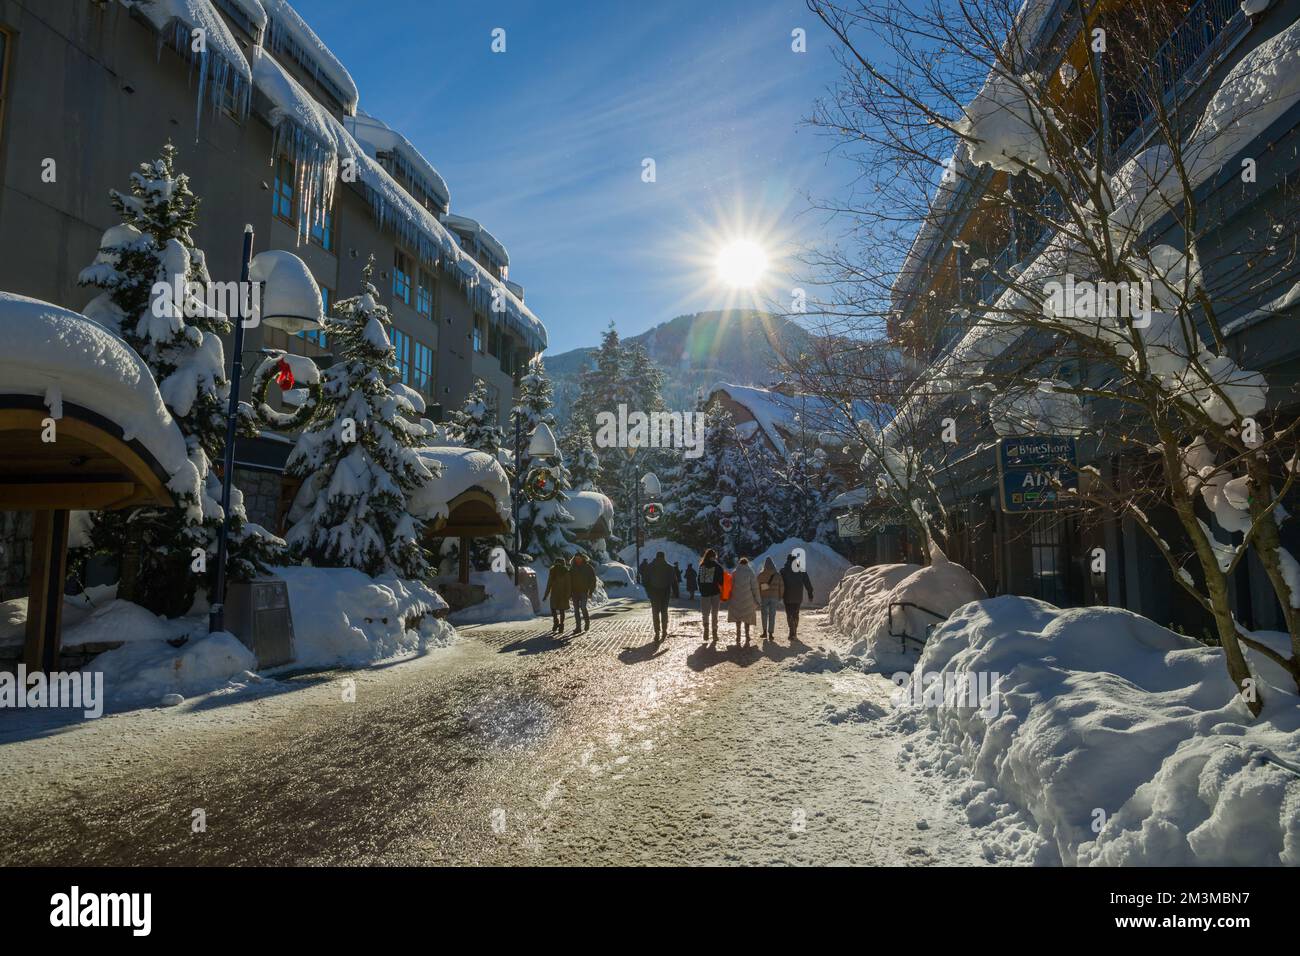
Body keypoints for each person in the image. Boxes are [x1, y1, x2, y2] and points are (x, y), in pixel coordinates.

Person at [643, 551, 679, 641]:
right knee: (664, 612)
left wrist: (648, 592)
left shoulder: (650, 566)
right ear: (664, 557)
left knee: (655, 613)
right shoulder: (669, 567)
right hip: (665, 592)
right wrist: (676, 593)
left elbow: (645, 581)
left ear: (656, 557)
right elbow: (674, 582)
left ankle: (657, 632)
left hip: (654, 593)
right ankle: (664, 630)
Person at [779, 551, 815, 642]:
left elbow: (779, 584)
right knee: (796, 614)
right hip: (798, 596)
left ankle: (791, 631)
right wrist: (810, 593)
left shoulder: (783, 571)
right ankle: (794, 631)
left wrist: (777, 594)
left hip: (787, 596)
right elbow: (807, 582)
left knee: (789, 614)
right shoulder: (801, 570)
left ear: (787, 560)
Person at [727, 557, 760, 646]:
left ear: (739, 563)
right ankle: (747, 635)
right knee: (747, 617)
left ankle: (738, 635)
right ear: (747, 564)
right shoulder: (750, 572)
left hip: (736, 599)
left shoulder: (734, 573)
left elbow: (730, 586)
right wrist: (758, 599)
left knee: (738, 616)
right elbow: (755, 587)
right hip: (748, 599)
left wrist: (729, 597)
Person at [697, 549, 723, 642]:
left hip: (705, 594)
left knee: (705, 613)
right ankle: (715, 632)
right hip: (715, 593)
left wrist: (702, 590)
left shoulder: (702, 566)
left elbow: (698, 579)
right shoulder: (717, 566)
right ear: (714, 556)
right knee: (714, 613)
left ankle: (706, 630)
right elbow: (721, 581)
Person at [756, 556, 784, 640]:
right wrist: (780, 596)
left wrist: (758, 597)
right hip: (774, 597)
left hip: (764, 597)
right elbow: (782, 586)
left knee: (764, 615)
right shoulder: (777, 575)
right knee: (772, 615)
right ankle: (771, 633)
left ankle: (764, 632)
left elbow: (757, 587)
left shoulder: (761, 575)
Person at [543, 557, 572, 633]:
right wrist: (546, 594)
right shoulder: (553, 571)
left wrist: (568, 595)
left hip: (561, 594)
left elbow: (568, 584)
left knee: (559, 610)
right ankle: (557, 622)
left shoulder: (565, 572)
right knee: (555, 609)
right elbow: (549, 584)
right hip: (557, 594)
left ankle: (560, 624)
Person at [570, 553, 597, 633]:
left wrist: (590, 591)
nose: (577, 559)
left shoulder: (588, 567)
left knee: (583, 607)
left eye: (579, 558)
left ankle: (587, 622)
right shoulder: (572, 568)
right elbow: (569, 581)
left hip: (584, 592)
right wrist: (569, 593)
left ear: (582, 558)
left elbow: (593, 580)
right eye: (576, 558)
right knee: (576, 610)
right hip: (574, 592)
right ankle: (578, 627)